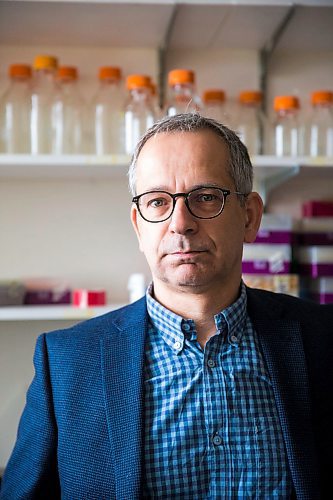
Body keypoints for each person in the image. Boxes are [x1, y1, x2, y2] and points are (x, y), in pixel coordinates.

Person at [1, 113, 332, 499]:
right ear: (139, 226)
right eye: (157, 201)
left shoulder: (323, 339)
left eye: (205, 197)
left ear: (250, 216)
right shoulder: (67, 362)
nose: (180, 223)